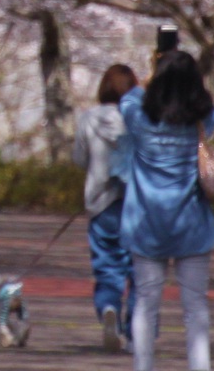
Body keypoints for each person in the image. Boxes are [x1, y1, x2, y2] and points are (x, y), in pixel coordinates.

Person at [119, 49, 214, 371]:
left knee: (146, 304)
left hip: (146, 223)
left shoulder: (137, 115)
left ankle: (143, 366)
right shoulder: (204, 118)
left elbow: (129, 97)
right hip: (191, 225)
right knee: (196, 309)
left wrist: (151, 73)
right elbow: (210, 106)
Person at [75, 63, 140, 353]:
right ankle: (137, 331)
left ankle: (109, 308)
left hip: (102, 203)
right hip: (139, 203)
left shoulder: (87, 118)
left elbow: (79, 158)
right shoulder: (139, 118)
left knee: (107, 266)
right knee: (140, 269)